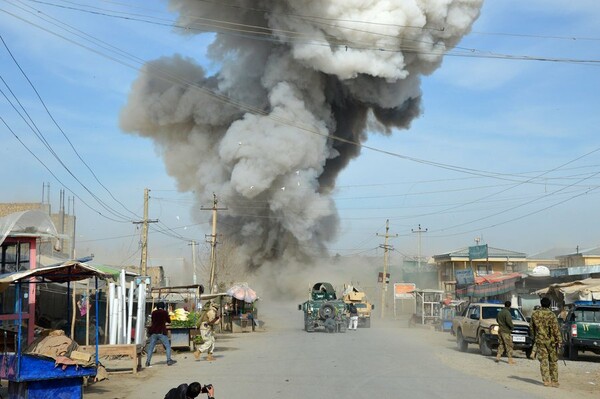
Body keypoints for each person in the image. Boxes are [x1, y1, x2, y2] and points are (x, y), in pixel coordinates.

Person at [531, 297, 562, 388]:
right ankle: (554, 381)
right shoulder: (552, 315)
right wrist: (559, 340)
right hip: (551, 341)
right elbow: (556, 329)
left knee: (543, 361)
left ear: (541, 304)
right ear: (549, 305)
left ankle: (546, 381)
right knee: (553, 361)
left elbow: (531, 327)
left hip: (540, 340)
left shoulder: (535, 314)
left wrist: (534, 337)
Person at [146, 301, 177, 367]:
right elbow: (169, 321)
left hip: (154, 332)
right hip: (161, 332)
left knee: (151, 347)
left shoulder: (153, 313)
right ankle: (168, 360)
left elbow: (153, 321)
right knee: (167, 346)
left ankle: (148, 362)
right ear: (163, 307)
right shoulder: (164, 312)